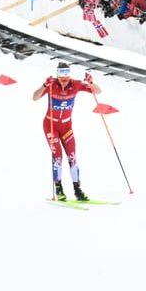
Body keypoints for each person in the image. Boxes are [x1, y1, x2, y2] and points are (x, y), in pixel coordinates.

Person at [32, 62, 101, 201]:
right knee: (58, 157)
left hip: (66, 127)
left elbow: (97, 91)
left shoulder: (75, 84)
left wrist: (91, 82)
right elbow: (35, 97)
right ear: (57, 75)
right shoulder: (51, 85)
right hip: (51, 125)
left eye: (66, 74)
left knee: (72, 157)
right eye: (61, 74)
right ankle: (59, 189)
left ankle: (77, 190)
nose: (64, 78)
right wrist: (44, 85)